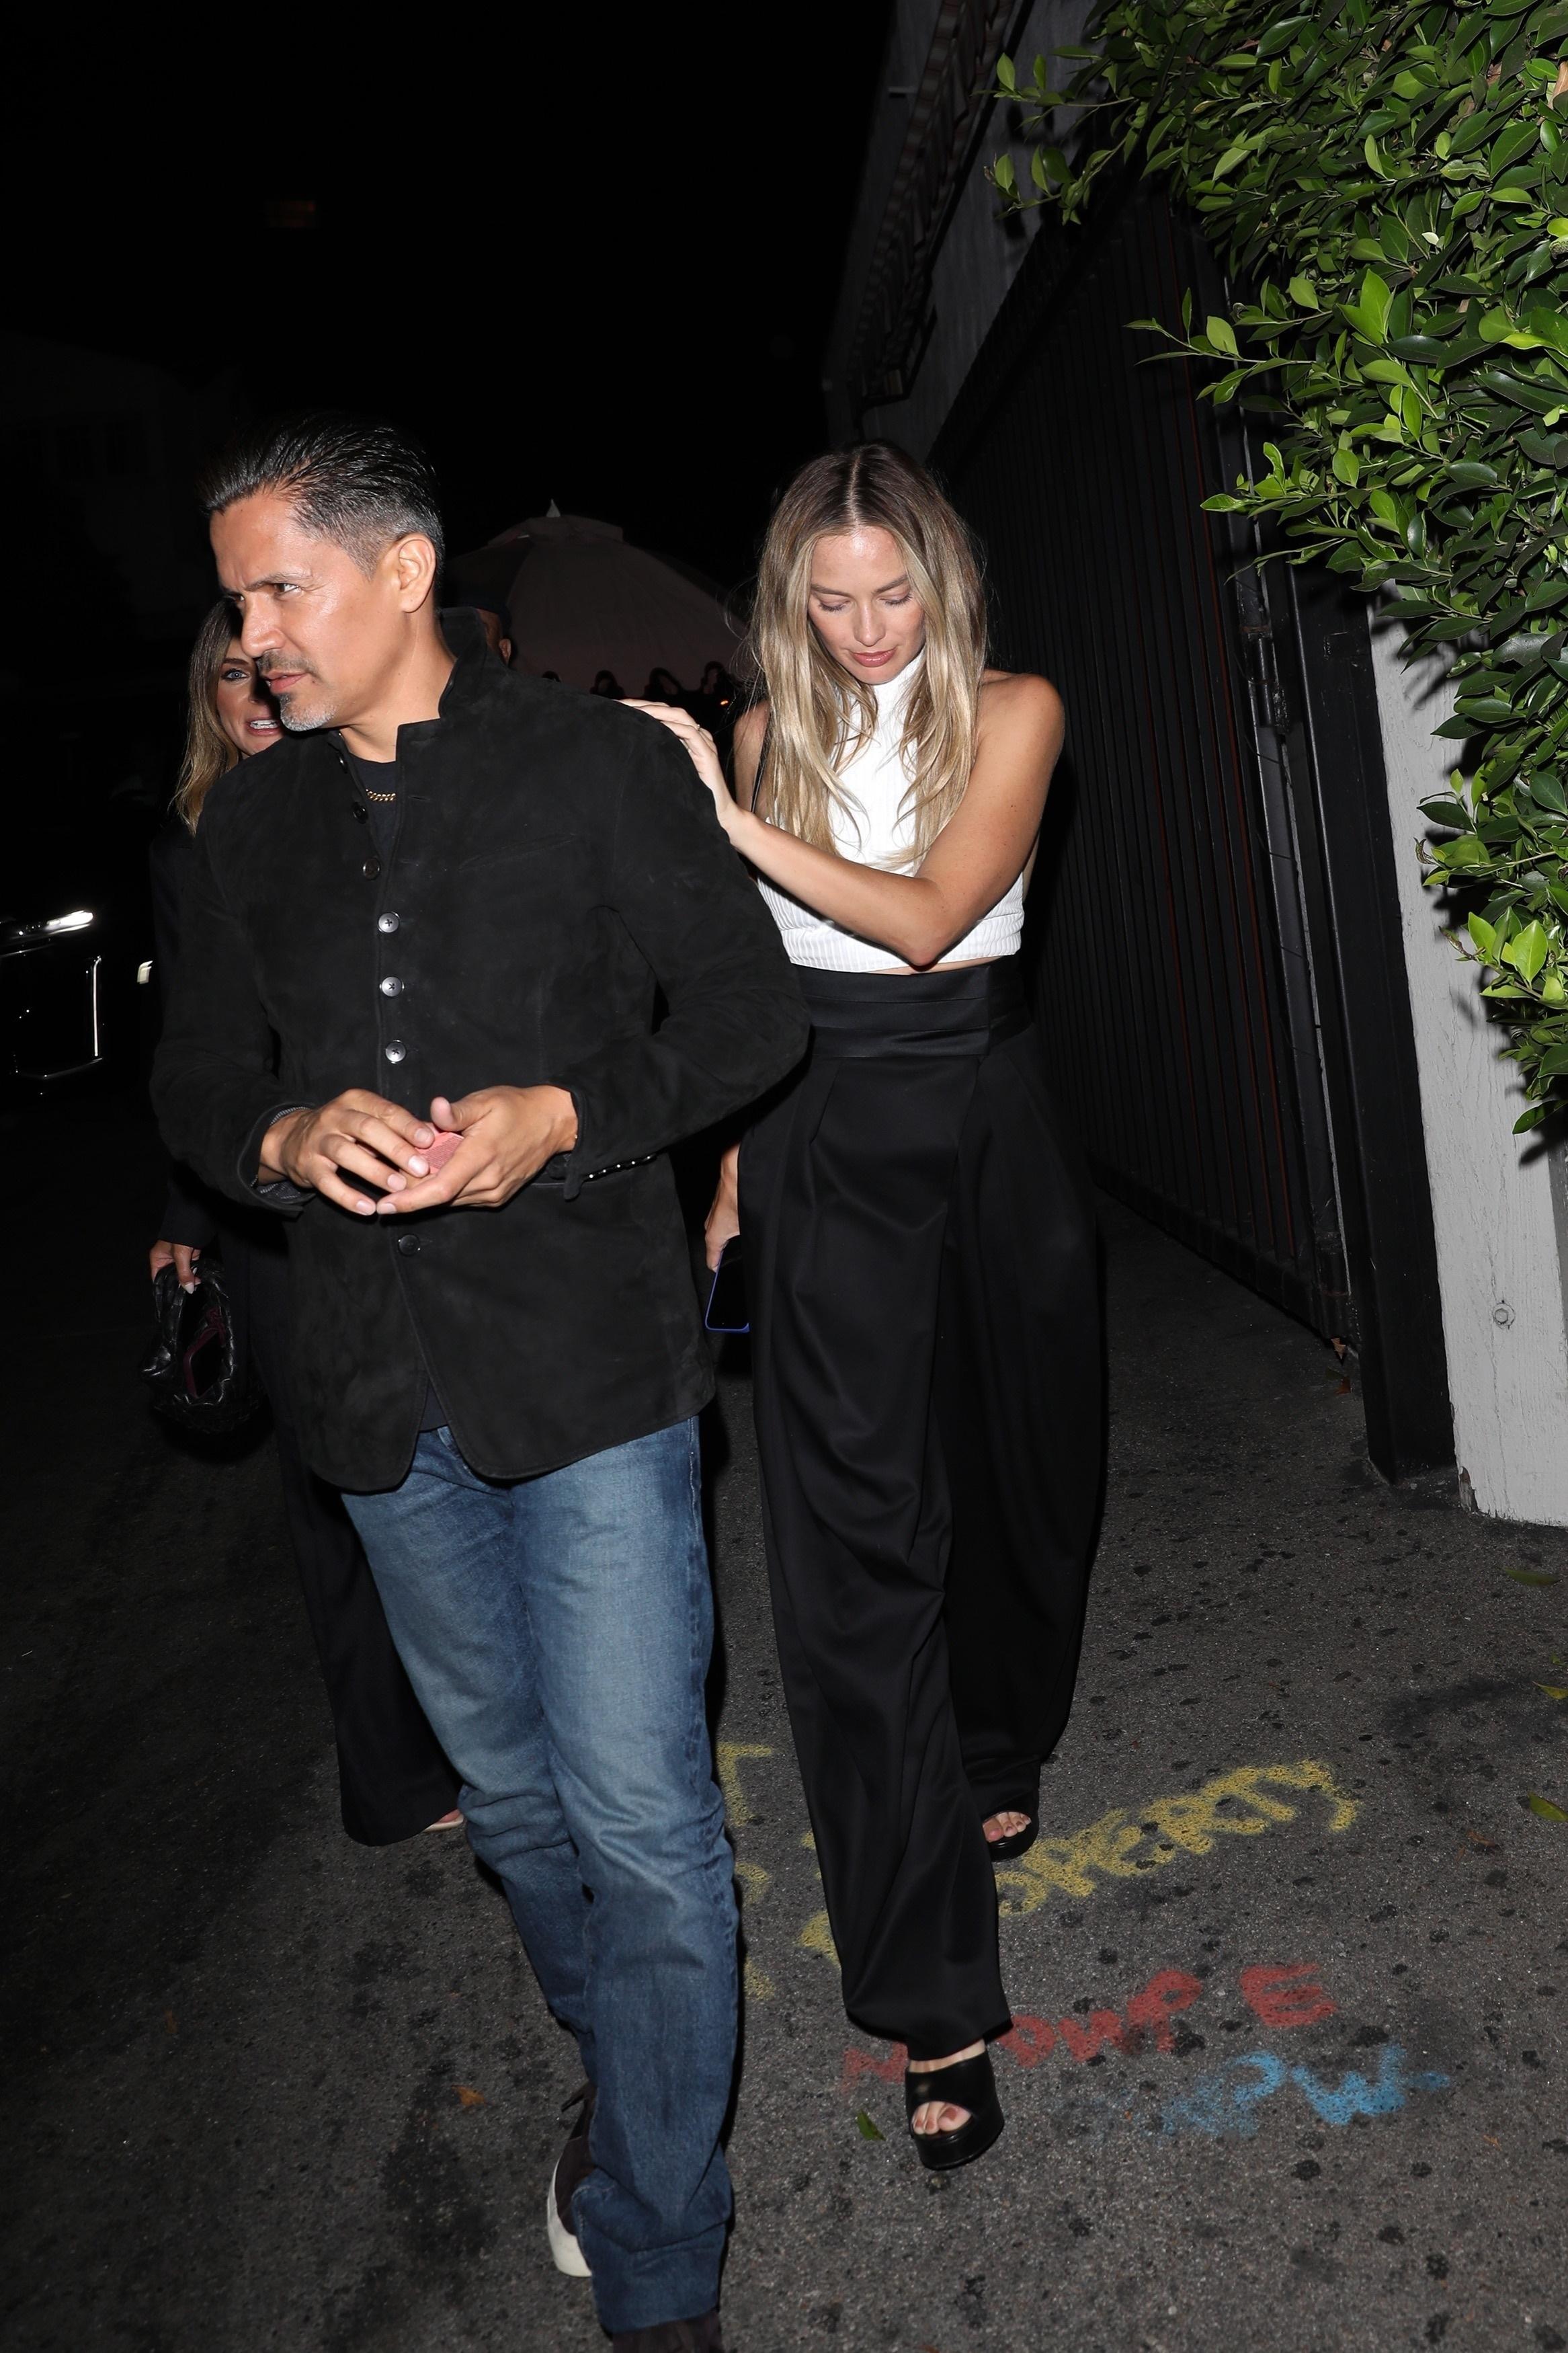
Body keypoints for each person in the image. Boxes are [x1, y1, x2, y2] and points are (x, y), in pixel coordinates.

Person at [153, 413, 807, 2353]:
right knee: (517, 1810)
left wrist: (570, 1116)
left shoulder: (599, 769)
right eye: (235, 602)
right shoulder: (244, 829)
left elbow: (749, 1016)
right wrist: (281, 1136)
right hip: (374, 1397)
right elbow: (194, 1083)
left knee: (645, 1826)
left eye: (279, 588)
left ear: (405, 572)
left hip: (588, 1370)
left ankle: (660, 2253)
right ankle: (634, 2074)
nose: (252, 633)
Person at [630, 440, 1102, 2175]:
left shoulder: (1018, 711)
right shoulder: (769, 734)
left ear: (942, 578)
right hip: (826, 1131)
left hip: (985, 1113)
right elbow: (760, 987)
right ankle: (932, 1999)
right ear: (791, 605)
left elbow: (926, 921)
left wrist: (729, 823)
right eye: (829, 603)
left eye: (893, 591)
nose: (868, 628)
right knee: (850, 1560)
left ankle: (999, 1730)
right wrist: (733, 1173)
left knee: (1024, 1474)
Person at [148, 600, 460, 1844]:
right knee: (331, 1478)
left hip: (403, 1161)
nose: (256, 694)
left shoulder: (360, 805)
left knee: (432, 1453)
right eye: (229, 676)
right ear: (209, 703)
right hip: (268, 1194)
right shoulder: (197, 844)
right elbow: (194, 1055)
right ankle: (392, 1779)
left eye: (266, 670)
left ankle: (475, 1730)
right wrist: (188, 1210)